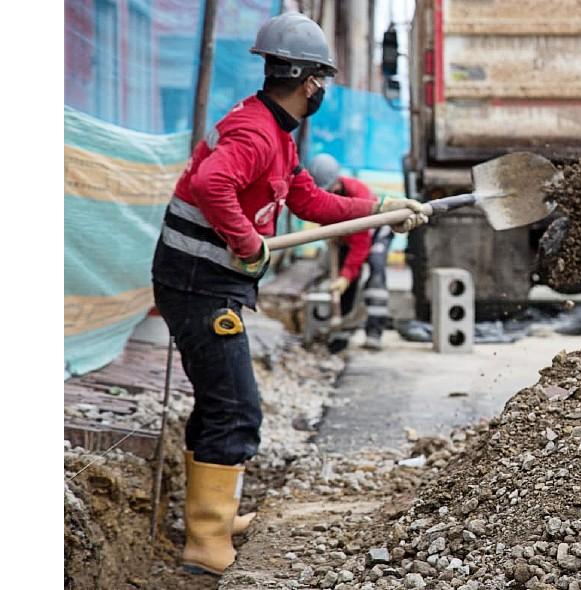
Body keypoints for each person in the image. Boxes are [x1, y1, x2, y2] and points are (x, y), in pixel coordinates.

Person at [149, 12, 428, 575]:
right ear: (310, 82)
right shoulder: (254, 133)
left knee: (218, 401)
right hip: (198, 283)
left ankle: (215, 518)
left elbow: (311, 203)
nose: (322, 89)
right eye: (322, 80)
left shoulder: (275, 133)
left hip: (208, 281)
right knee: (237, 407)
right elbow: (212, 184)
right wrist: (248, 240)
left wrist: (379, 209)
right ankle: (205, 545)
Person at [307, 154, 394, 351]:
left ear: (336, 184)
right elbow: (322, 211)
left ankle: (374, 331)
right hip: (348, 235)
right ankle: (342, 332)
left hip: (376, 230)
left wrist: (346, 275)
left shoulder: (358, 194)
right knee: (345, 283)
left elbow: (361, 245)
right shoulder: (326, 193)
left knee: (375, 269)